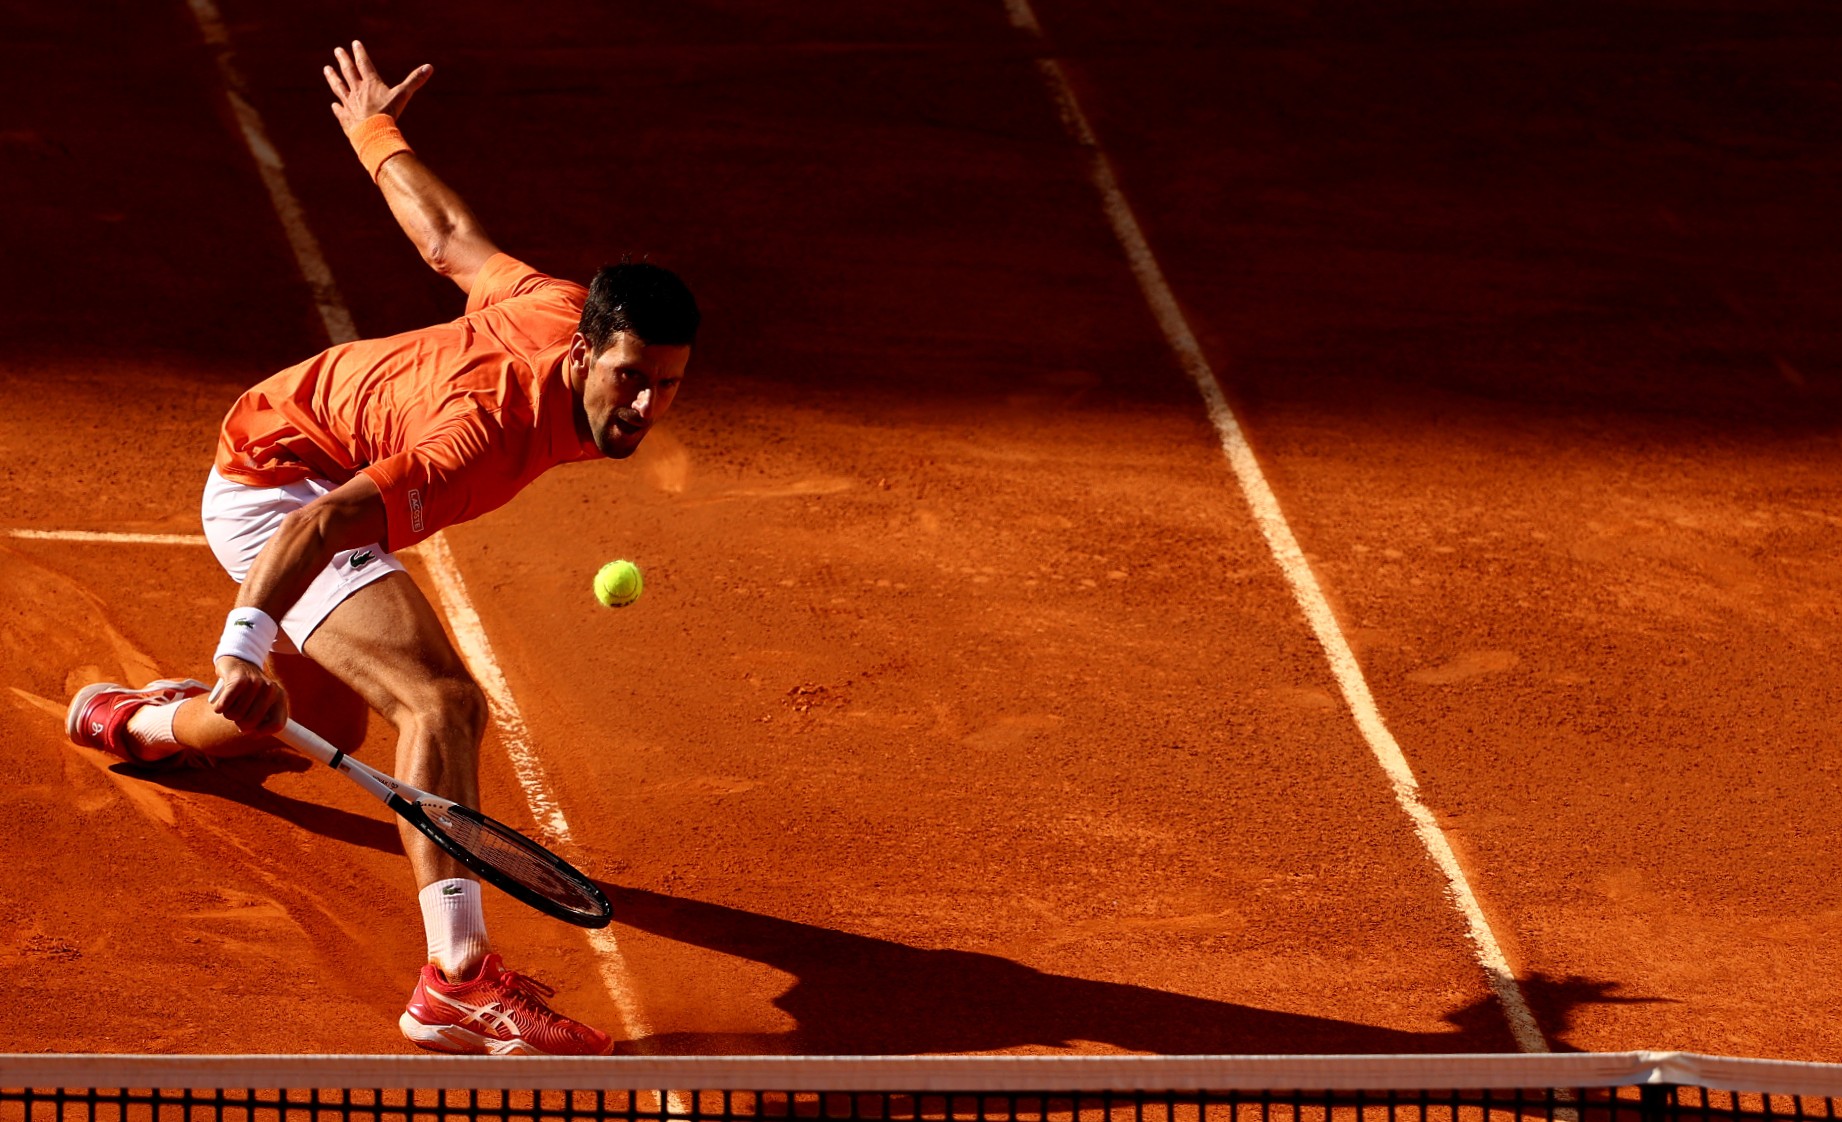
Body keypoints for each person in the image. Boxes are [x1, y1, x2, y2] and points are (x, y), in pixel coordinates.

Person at [62, 41, 696, 1056]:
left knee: (313, 718)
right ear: (583, 352)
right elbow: (317, 525)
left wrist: (372, 129)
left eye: (667, 385)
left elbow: (449, 238)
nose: (645, 405)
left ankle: (138, 728)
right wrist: (240, 642)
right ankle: (456, 980)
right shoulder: (477, 433)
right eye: (629, 379)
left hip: (303, 437)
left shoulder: (552, 308)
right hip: (280, 483)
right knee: (441, 701)